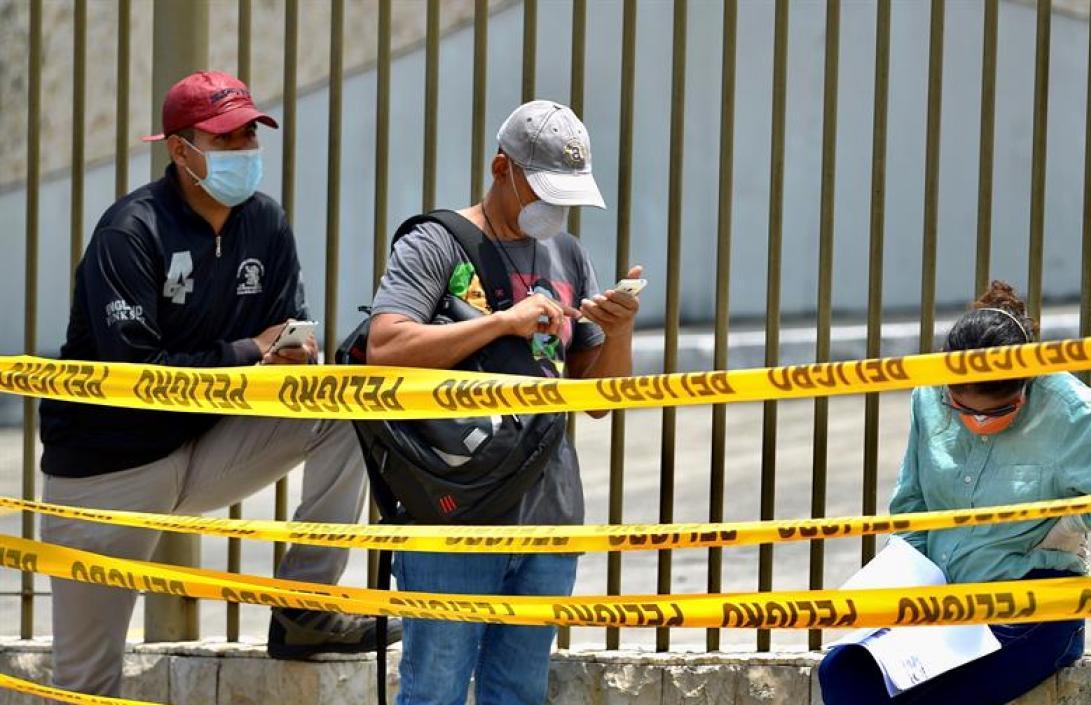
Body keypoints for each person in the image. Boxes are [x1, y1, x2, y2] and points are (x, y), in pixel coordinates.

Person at [38, 71, 399, 697]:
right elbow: (137, 377)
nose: (244, 151)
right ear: (180, 150)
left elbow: (282, 338)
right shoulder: (130, 231)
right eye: (227, 138)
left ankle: (304, 607)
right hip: (105, 479)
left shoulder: (266, 223)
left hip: (203, 450)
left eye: (250, 134)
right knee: (87, 686)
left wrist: (293, 357)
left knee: (342, 410)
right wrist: (248, 352)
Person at [368, 100, 640, 705]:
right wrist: (501, 324)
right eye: (544, 190)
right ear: (501, 169)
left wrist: (618, 330)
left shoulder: (569, 255)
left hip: (550, 515)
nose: (556, 207)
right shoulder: (436, 243)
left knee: (518, 691)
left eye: (567, 194)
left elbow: (597, 400)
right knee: (434, 688)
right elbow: (384, 347)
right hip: (453, 513)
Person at [817, 281, 1091, 705]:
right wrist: (900, 587)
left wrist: (1075, 522)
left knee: (929, 696)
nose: (978, 423)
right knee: (843, 674)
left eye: (998, 412)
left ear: (1026, 386)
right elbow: (912, 506)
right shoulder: (929, 395)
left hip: (1034, 602)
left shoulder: (1066, 408)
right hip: (945, 600)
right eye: (962, 408)